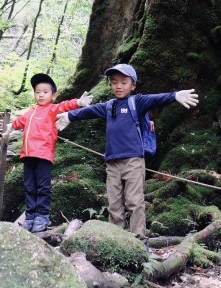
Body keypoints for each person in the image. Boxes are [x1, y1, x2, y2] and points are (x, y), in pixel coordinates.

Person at [56, 63, 198, 238]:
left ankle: (139, 238)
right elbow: (90, 111)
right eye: (114, 82)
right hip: (112, 162)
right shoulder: (108, 106)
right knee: (114, 203)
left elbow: (155, 99)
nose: (118, 86)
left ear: (133, 85)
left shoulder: (136, 102)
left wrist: (175, 95)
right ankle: (116, 238)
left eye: (124, 82)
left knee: (134, 201)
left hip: (133, 160)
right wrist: (70, 115)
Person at [6, 73, 92, 233]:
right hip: (27, 155)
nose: (40, 95)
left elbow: (65, 106)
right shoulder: (30, 112)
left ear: (53, 95)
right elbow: (20, 122)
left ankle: (42, 216)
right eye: (38, 92)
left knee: (43, 186)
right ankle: (30, 216)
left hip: (43, 155)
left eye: (45, 92)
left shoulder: (52, 109)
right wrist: (11, 127)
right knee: (29, 186)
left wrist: (79, 102)